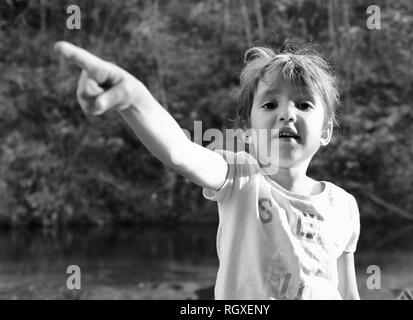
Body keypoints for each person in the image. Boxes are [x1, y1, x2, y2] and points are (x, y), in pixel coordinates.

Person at [54, 41, 360, 300]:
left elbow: (347, 293)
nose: (287, 114)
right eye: (269, 105)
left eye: (304, 105)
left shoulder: (344, 206)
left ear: (326, 130)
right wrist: (134, 99)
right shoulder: (241, 179)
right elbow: (180, 152)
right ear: (247, 132)